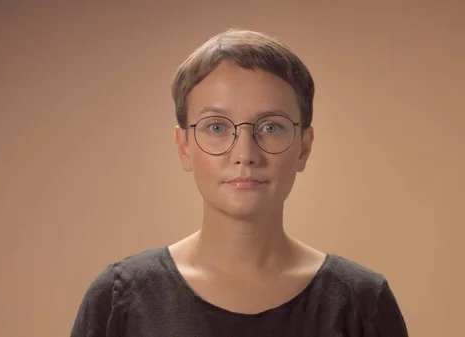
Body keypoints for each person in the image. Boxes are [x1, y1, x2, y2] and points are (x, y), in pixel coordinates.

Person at [70, 28, 409, 337]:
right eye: (216, 127)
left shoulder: (362, 304)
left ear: (304, 147)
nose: (245, 154)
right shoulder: (119, 301)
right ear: (184, 147)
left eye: (271, 127)